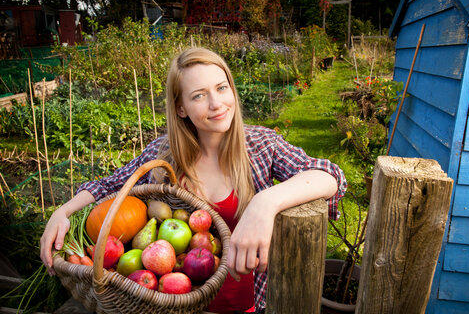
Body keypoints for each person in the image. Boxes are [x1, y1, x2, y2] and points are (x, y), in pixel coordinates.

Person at [40, 47, 347, 313]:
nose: (217, 104)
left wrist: (265, 203)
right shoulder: (164, 155)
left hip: (251, 302)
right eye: (199, 95)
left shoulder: (261, 146)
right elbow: (110, 185)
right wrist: (63, 211)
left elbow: (332, 176)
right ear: (181, 108)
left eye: (222, 88)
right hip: (175, 303)